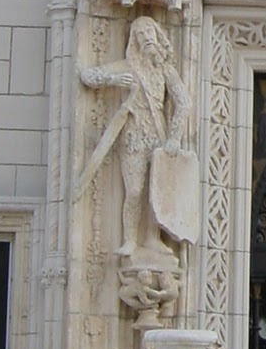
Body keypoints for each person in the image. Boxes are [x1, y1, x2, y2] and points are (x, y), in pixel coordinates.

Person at [79, 16, 192, 267]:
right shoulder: (127, 67)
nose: (146, 40)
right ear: (135, 41)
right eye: (140, 36)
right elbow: (88, 75)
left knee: (156, 192)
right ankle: (130, 238)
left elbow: (184, 102)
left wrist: (174, 137)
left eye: (149, 34)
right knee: (134, 191)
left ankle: (152, 238)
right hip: (132, 137)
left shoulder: (165, 71)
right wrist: (113, 80)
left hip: (158, 138)